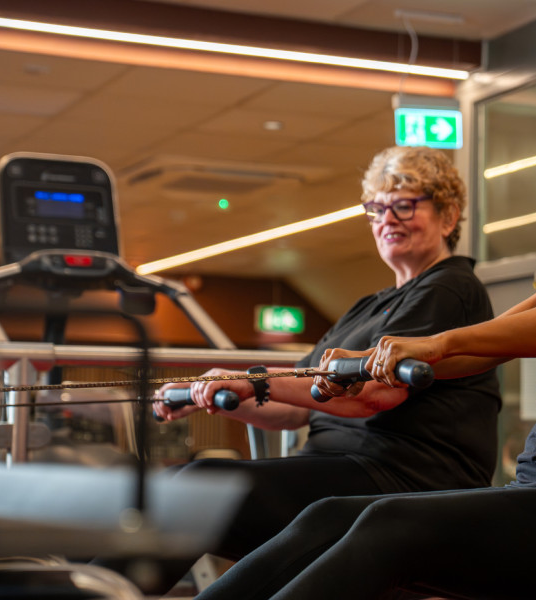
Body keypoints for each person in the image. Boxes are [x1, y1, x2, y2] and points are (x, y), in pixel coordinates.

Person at [194, 47, 536, 600]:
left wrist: (433, 343)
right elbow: (487, 349)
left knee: (390, 528)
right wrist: (367, 371)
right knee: (329, 516)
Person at [145, 145, 501, 590]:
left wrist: (252, 381)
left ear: (448, 216)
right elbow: (295, 406)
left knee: (194, 486)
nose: (387, 219)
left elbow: (369, 396)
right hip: (336, 466)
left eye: (404, 206)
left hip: (400, 475)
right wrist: (229, 396)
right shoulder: (366, 306)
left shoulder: (450, 289)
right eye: (377, 209)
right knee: (177, 483)